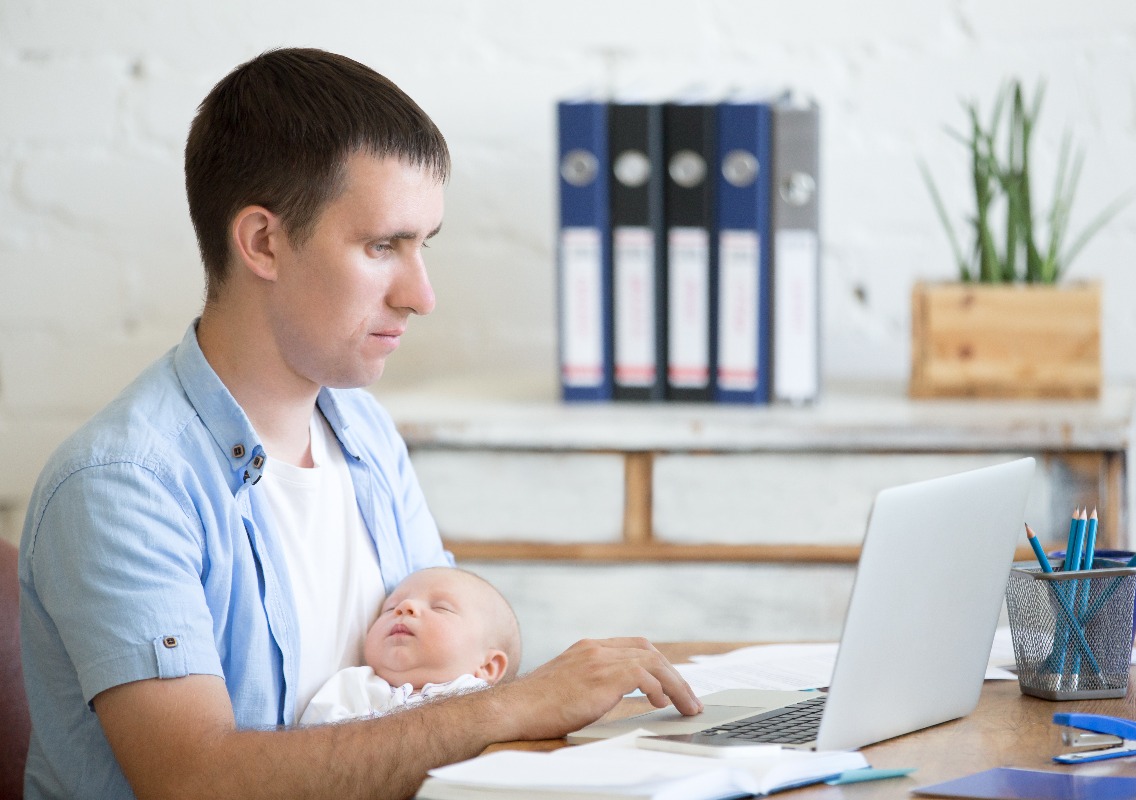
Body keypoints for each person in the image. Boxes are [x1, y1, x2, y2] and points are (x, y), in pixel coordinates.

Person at [18, 47, 701, 800]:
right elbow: (196, 780)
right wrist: (514, 703)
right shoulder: (123, 485)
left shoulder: (362, 433)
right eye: (383, 246)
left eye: (424, 245)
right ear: (263, 242)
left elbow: (440, 688)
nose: (421, 294)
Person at [300, 567, 521, 724]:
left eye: (441, 608)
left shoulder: (480, 703)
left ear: (488, 666)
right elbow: (316, 745)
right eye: (389, 607)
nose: (405, 607)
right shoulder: (354, 686)